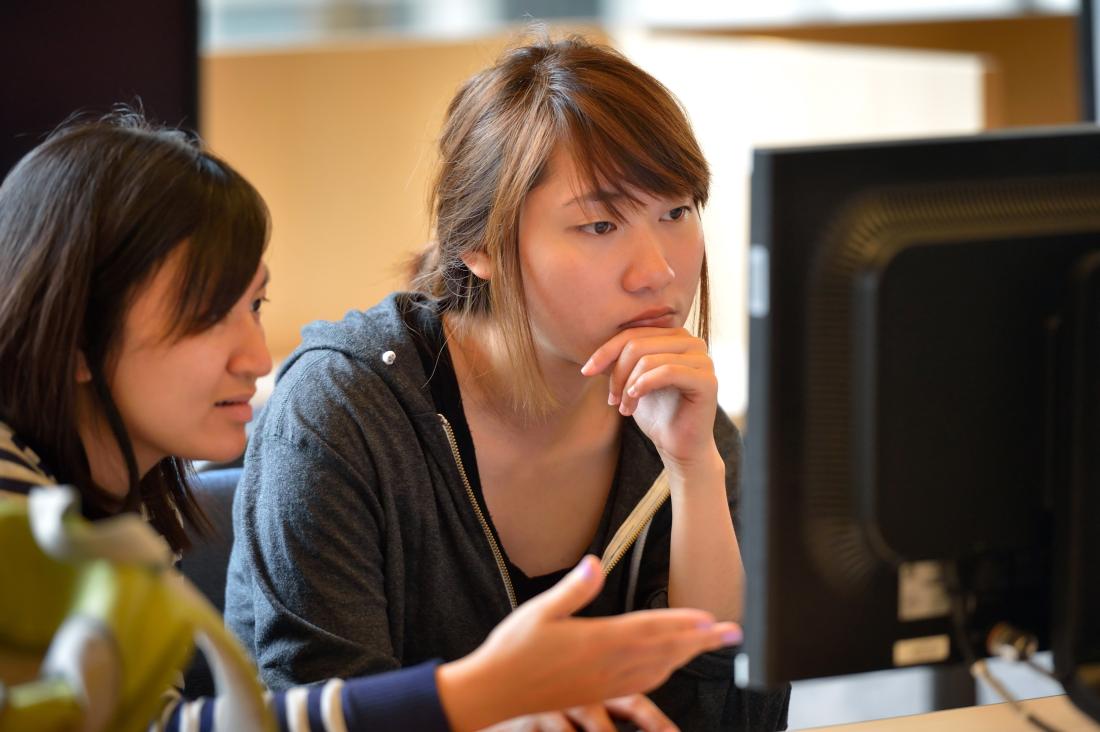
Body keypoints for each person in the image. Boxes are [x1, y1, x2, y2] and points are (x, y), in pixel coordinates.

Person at [0, 113, 743, 731]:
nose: (258, 358)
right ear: (74, 337)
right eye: (204, 317)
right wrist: (484, 694)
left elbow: (731, 705)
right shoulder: (20, 524)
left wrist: (696, 469)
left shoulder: (110, 518)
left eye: (253, 306)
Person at [226, 34, 791, 730]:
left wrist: (693, 469)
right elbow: (320, 712)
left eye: (675, 212)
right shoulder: (342, 416)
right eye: (600, 224)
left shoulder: (683, 417)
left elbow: (732, 718)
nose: (657, 271)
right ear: (481, 246)